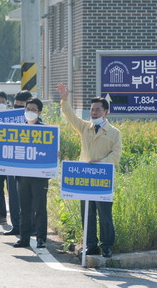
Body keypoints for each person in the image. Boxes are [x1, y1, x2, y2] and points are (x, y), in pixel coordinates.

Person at [56, 83, 122, 258]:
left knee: (104, 213)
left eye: (97, 110)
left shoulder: (114, 132)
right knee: (87, 213)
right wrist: (64, 100)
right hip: (85, 177)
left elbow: (116, 154)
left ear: (106, 112)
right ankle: (90, 245)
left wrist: (100, 163)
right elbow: (70, 117)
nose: (93, 113)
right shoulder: (85, 127)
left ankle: (106, 246)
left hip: (103, 178)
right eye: (92, 110)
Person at [13, 98, 50, 249]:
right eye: (28, 109)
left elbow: (52, 150)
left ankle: (41, 238)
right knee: (24, 209)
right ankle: (24, 238)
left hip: (39, 177)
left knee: (40, 208)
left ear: (39, 112)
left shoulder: (47, 131)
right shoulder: (17, 131)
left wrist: (56, 154)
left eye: (33, 110)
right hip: (22, 177)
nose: (30, 112)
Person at [0, 91, 20, 236]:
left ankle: (16, 218)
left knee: (13, 190)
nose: (1, 104)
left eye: (3, 101)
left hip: (10, 161)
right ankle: (2, 215)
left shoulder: (13, 118)